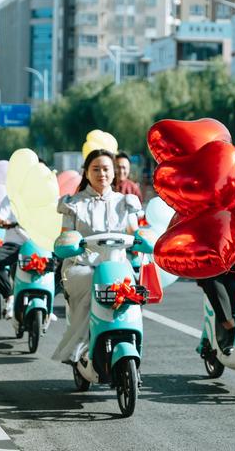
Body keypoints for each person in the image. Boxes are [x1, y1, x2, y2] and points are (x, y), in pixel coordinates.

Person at [51, 149, 142, 364]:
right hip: (81, 265)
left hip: (117, 265)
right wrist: (69, 245)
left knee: (132, 289)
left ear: (114, 172)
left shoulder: (126, 202)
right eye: (96, 169)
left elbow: (134, 234)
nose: (102, 173)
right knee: (95, 282)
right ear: (86, 172)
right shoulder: (73, 203)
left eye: (106, 169)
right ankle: (80, 347)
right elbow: (65, 237)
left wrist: (142, 243)